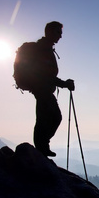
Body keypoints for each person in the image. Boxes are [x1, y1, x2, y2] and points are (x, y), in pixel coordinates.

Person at [31, 21, 74, 157]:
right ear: (49, 32)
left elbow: (46, 75)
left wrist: (63, 83)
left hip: (43, 89)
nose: (60, 36)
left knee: (46, 119)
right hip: (42, 90)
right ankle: (42, 148)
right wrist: (64, 84)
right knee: (51, 118)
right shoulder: (43, 49)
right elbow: (45, 75)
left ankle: (42, 148)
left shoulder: (46, 48)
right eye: (58, 32)